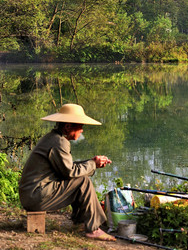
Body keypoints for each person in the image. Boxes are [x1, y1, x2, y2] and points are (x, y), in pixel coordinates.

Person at [19, 103, 116, 241]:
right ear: (68, 126)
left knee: (80, 179)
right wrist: (92, 164)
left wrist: (91, 162)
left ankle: (81, 222)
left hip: (31, 194)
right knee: (82, 181)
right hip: (35, 196)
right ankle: (93, 229)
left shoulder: (54, 138)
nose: (82, 130)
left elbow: (66, 168)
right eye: (80, 126)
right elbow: (70, 172)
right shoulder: (59, 142)